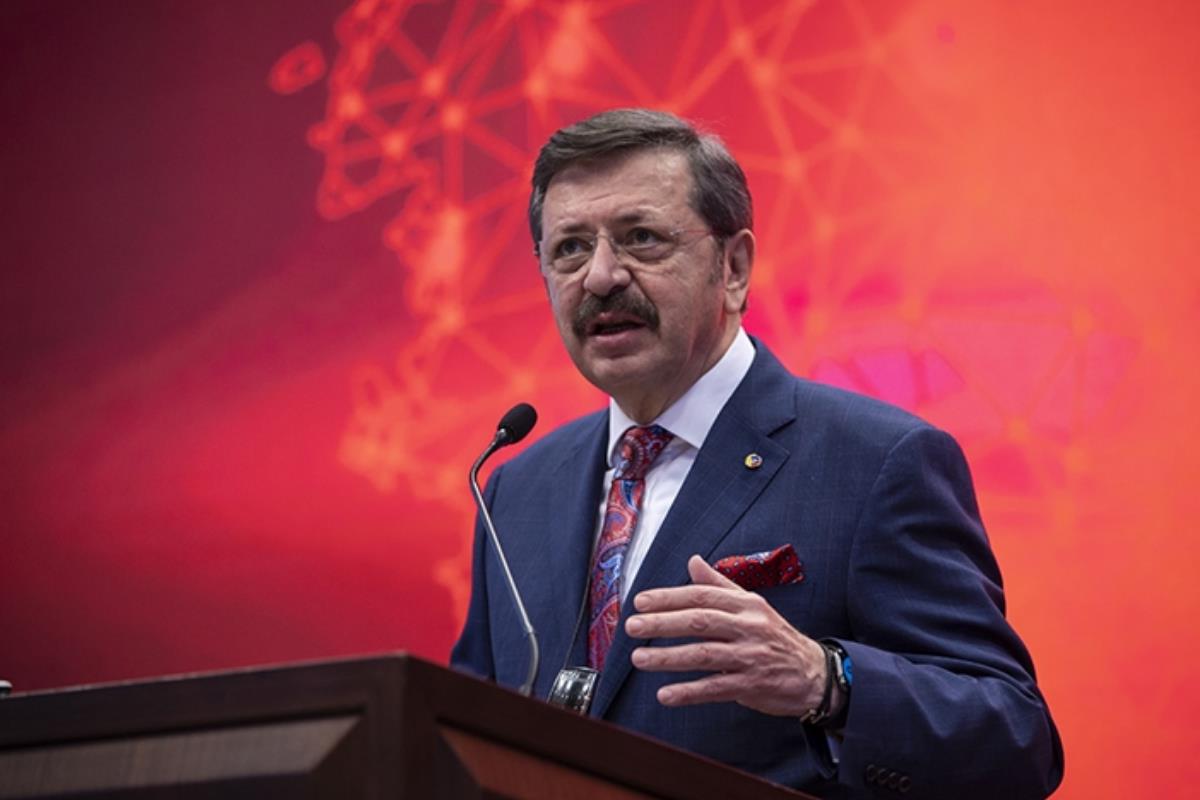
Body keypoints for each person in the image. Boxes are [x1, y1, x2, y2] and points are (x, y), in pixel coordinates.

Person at [451, 108, 1063, 799]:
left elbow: (1016, 740)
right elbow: (465, 730)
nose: (599, 276)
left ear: (734, 266)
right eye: (569, 248)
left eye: (641, 238)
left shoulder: (877, 462)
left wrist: (825, 681)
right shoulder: (516, 488)